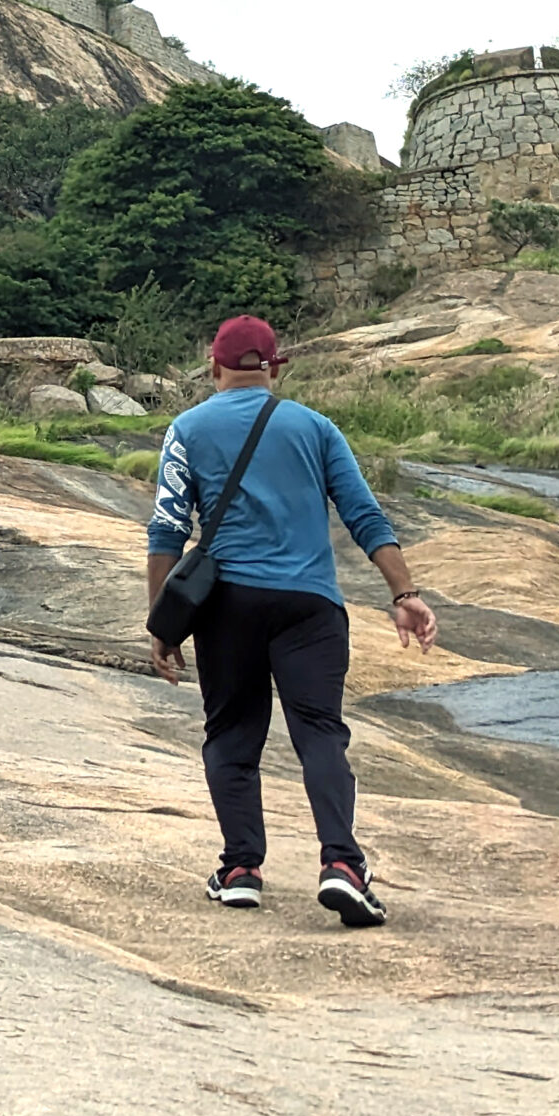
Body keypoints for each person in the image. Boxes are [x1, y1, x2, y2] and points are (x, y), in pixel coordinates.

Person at [146, 316, 438, 928]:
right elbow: (364, 514)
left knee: (232, 734)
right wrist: (404, 591)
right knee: (320, 734)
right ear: (275, 365)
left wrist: (163, 625)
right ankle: (342, 866)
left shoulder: (187, 429)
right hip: (309, 606)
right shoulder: (316, 427)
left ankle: (241, 870)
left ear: (212, 362)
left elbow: (167, 529)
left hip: (226, 607)